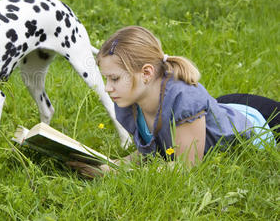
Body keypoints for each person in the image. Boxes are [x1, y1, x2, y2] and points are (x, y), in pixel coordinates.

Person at [68, 26, 278, 178]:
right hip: (222, 108)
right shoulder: (130, 99)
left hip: (262, 121)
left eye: (114, 78)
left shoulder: (184, 99)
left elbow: (187, 167)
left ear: (147, 73)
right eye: (106, 78)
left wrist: (122, 174)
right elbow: (150, 153)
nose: (107, 87)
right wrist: (112, 165)